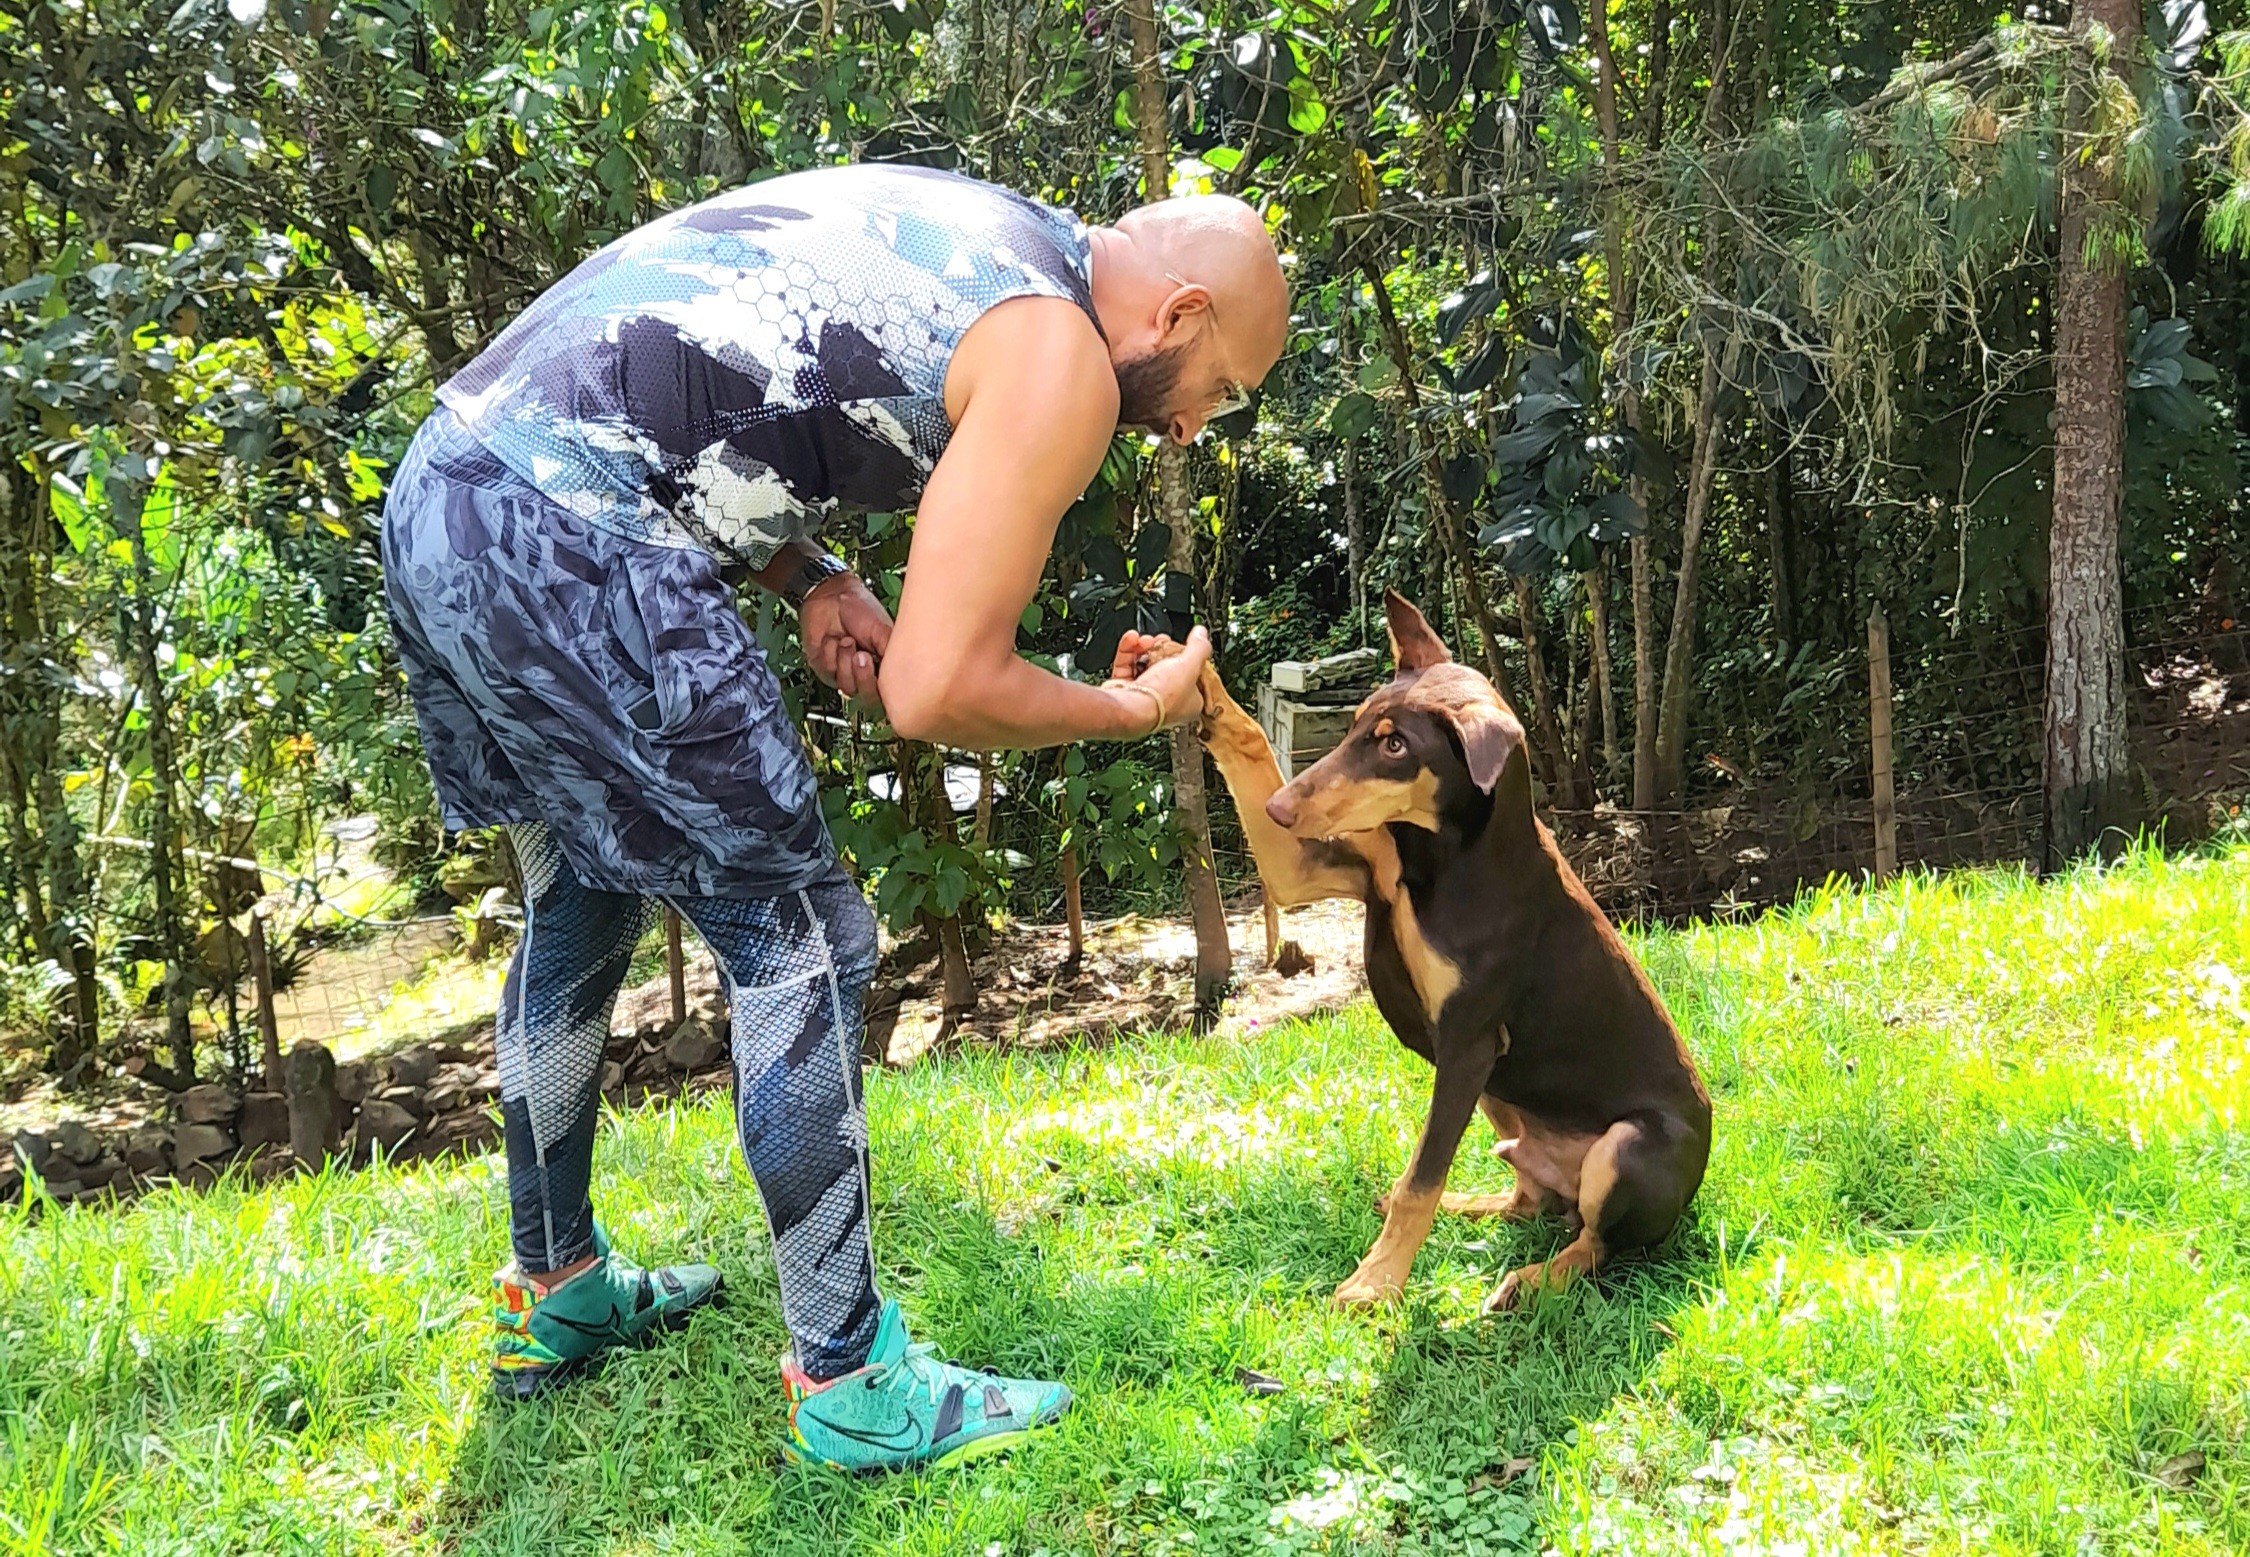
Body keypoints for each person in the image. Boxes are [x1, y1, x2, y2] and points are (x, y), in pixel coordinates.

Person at [379, 162, 1288, 1472]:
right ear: (1182, 311)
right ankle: (851, 1380)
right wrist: (1131, 712)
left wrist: (807, 569)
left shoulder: (981, 233)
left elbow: (696, 375)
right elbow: (937, 687)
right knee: (798, 934)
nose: (1197, 425)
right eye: (1224, 391)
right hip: (574, 531)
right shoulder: (1061, 353)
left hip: (448, 490)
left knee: (578, 892)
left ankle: (554, 1285)